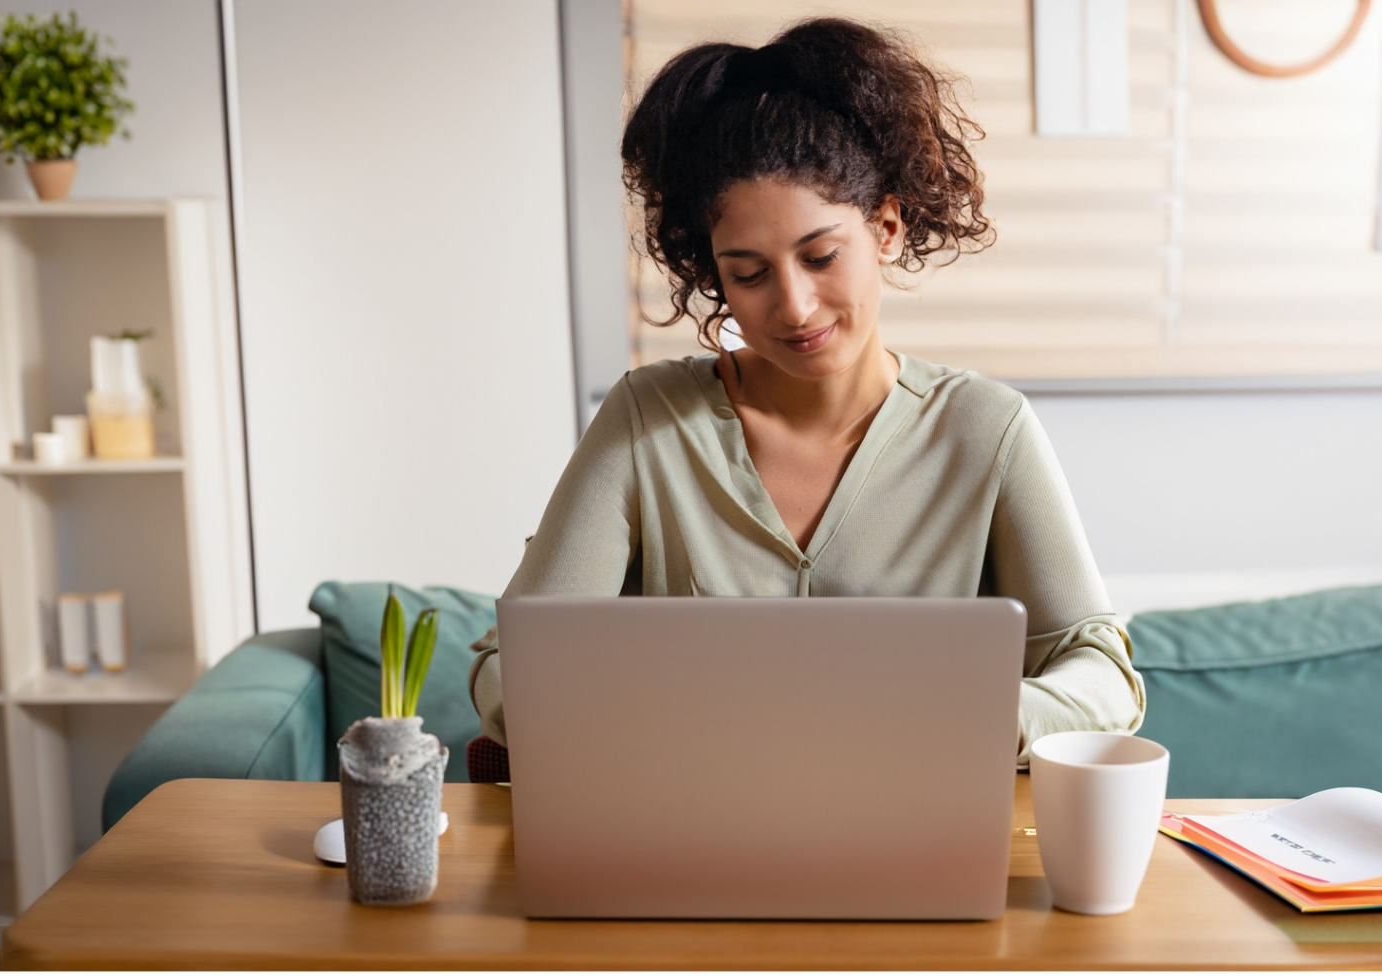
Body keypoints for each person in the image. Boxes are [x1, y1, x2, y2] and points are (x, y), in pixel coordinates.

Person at [470, 17, 1144, 762]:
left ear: (886, 227)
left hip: (914, 841)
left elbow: (1105, 676)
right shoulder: (647, 423)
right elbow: (508, 667)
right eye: (748, 273)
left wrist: (984, 716)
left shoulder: (986, 430)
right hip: (689, 841)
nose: (791, 306)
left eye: (820, 256)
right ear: (712, 274)